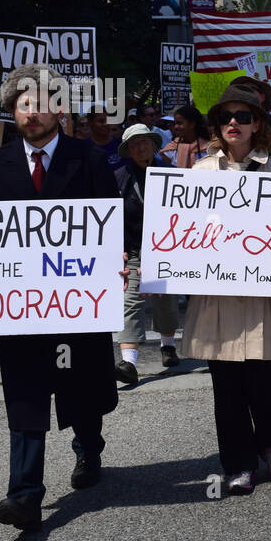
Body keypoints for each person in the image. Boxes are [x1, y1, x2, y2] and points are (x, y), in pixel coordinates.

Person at [0, 64, 123, 532]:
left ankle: (89, 449)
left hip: (77, 304)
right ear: (12, 112)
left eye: (41, 103)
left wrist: (118, 260)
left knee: (81, 387)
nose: (32, 112)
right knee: (26, 395)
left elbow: (111, 224)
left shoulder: (89, 158)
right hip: (21, 309)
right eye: (23, 105)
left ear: (59, 109)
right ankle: (24, 496)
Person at [181, 84, 271, 495]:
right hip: (217, 295)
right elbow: (184, 232)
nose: (234, 123)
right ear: (216, 124)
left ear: (257, 123)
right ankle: (237, 461)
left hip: (263, 293)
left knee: (262, 377)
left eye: (243, 116)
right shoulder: (199, 173)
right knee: (225, 383)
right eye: (226, 117)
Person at [113, 124, 180, 385]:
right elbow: (113, 218)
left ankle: (168, 345)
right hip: (131, 249)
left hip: (166, 248)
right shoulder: (118, 177)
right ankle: (128, 363)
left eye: (145, 142)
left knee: (166, 298)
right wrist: (124, 252)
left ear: (153, 145)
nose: (140, 148)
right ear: (128, 150)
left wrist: (161, 253)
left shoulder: (171, 175)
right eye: (134, 144)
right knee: (130, 301)